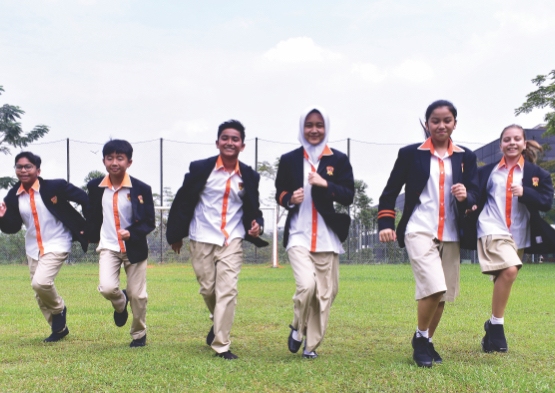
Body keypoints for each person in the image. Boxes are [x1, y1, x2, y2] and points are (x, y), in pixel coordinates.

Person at [377, 100, 479, 367]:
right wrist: (386, 223)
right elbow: (389, 192)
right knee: (434, 286)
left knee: (442, 296)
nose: (441, 125)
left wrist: (467, 195)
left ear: (455, 123)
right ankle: (421, 340)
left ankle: (426, 340)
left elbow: (477, 192)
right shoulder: (411, 154)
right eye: (435, 120)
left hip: (452, 232)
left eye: (447, 120)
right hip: (419, 228)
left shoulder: (466, 156)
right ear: (427, 124)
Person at [166, 120, 268, 360]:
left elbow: (254, 209)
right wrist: (175, 235)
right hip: (201, 237)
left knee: (227, 291)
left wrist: (257, 225)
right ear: (217, 142)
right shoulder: (201, 169)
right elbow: (182, 201)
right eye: (225, 138)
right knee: (208, 289)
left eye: (235, 139)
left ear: (242, 145)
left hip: (232, 240)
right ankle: (218, 321)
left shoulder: (250, 176)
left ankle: (221, 344)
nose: (230, 142)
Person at [275, 106, 354, 359]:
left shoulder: (338, 160)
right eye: (309, 125)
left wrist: (325, 184)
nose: (314, 130)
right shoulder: (289, 159)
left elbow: (348, 195)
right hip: (298, 234)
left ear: (326, 127)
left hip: (326, 237)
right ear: (302, 127)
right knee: (307, 285)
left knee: (326, 294)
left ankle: (310, 345)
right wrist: (290, 198)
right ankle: (298, 328)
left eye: (319, 125)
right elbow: (280, 192)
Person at [469, 125, 555, 353]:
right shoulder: (487, 172)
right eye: (507, 139)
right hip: (491, 227)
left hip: (519, 235)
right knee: (509, 271)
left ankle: (491, 326)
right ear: (501, 145)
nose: (512, 143)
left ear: (524, 143)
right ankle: (497, 329)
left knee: (506, 275)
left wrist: (526, 192)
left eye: (517, 139)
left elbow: (547, 202)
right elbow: (474, 194)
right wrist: (470, 203)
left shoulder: (537, 174)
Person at [0, 151, 88, 342]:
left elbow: (84, 199)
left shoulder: (55, 186)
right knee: (40, 294)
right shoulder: (13, 195)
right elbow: (13, 227)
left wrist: (88, 226)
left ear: (37, 170)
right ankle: (59, 330)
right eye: (19, 167)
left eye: (28, 166)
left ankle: (59, 309)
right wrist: (2, 217)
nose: (23, 170)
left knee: (40, 283)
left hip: (57, 242)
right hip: (33, 247)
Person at [86, 139, 155, 347]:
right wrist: (89, 233)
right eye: (110, 158)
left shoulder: (141, 188)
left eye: (119, 158)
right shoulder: (96, 187)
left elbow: (149, 221)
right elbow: (92, 213)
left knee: (138, 295)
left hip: (134, 248)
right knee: (107, 288)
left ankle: (139, 333)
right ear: (104, 161)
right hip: (109, 247)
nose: (114, 162)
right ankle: (120, 303)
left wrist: (132, 233)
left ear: (129, 162)